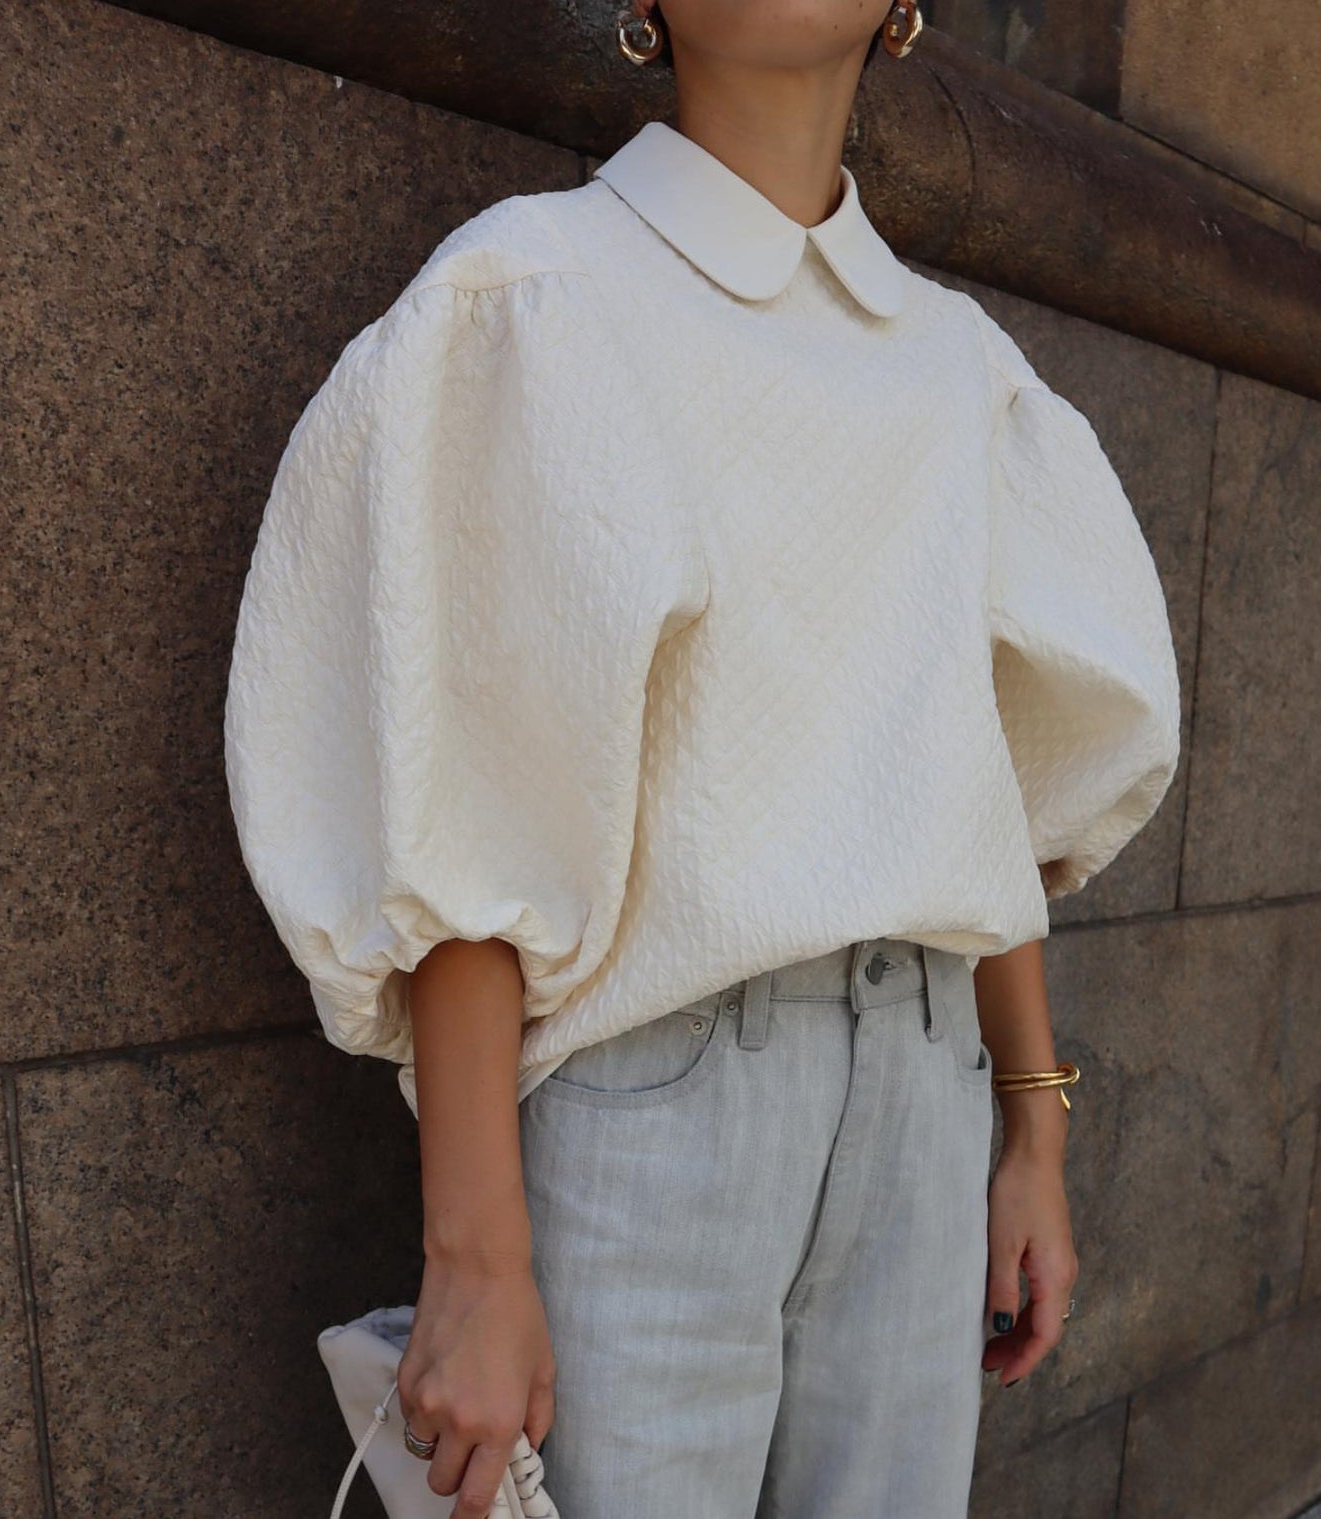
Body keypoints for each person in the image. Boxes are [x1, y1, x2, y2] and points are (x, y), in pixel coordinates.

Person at [222, 2, 1181, 1514]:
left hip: (927, 1099)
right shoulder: (533, 295)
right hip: (656, 1102)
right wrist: (473, 1259)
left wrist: (1029, 1126)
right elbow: (463, 792)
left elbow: (979, 778)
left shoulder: (958, 370)